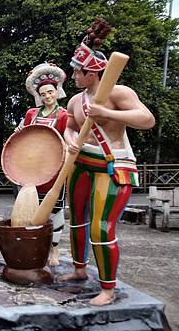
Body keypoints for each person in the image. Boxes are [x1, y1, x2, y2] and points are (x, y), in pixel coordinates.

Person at [60, 19, 155, 305]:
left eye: (77, 71)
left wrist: (108, 113)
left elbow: (146, 120)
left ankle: (108, 288)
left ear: (91, 73)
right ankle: (79, 269)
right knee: (76, 219)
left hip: (112, 165)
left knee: (101, 227)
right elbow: (70, 126)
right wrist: (70, 140)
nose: (73, 75)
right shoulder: (76, 101)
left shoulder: (119, 93)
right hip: (81, 165)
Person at [17, 63, 68, 265]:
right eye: (43, 93)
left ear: (57, 91)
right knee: (31, 207)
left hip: (54, 170)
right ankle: (37, 246)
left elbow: (68, 141)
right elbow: (20, 134)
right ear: (38, 95)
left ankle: (54, 250)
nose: (47, 96)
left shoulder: (64, 115)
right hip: (31, 169)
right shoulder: (32, 114)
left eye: (50, 92)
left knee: (55, 210)